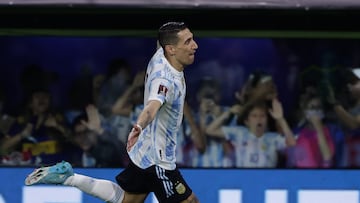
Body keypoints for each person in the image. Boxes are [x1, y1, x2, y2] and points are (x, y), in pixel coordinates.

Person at [24, 21, 200, 203]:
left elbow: (162, 36)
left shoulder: (160, 54)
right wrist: (138, 126)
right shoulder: (164, 80)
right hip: (158, 159)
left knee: (127, 200)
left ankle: (69, 177)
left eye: (192, 39)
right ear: (171, 49)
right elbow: (151, 108)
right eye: (187, 42)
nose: (195, 45)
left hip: (144, 152)